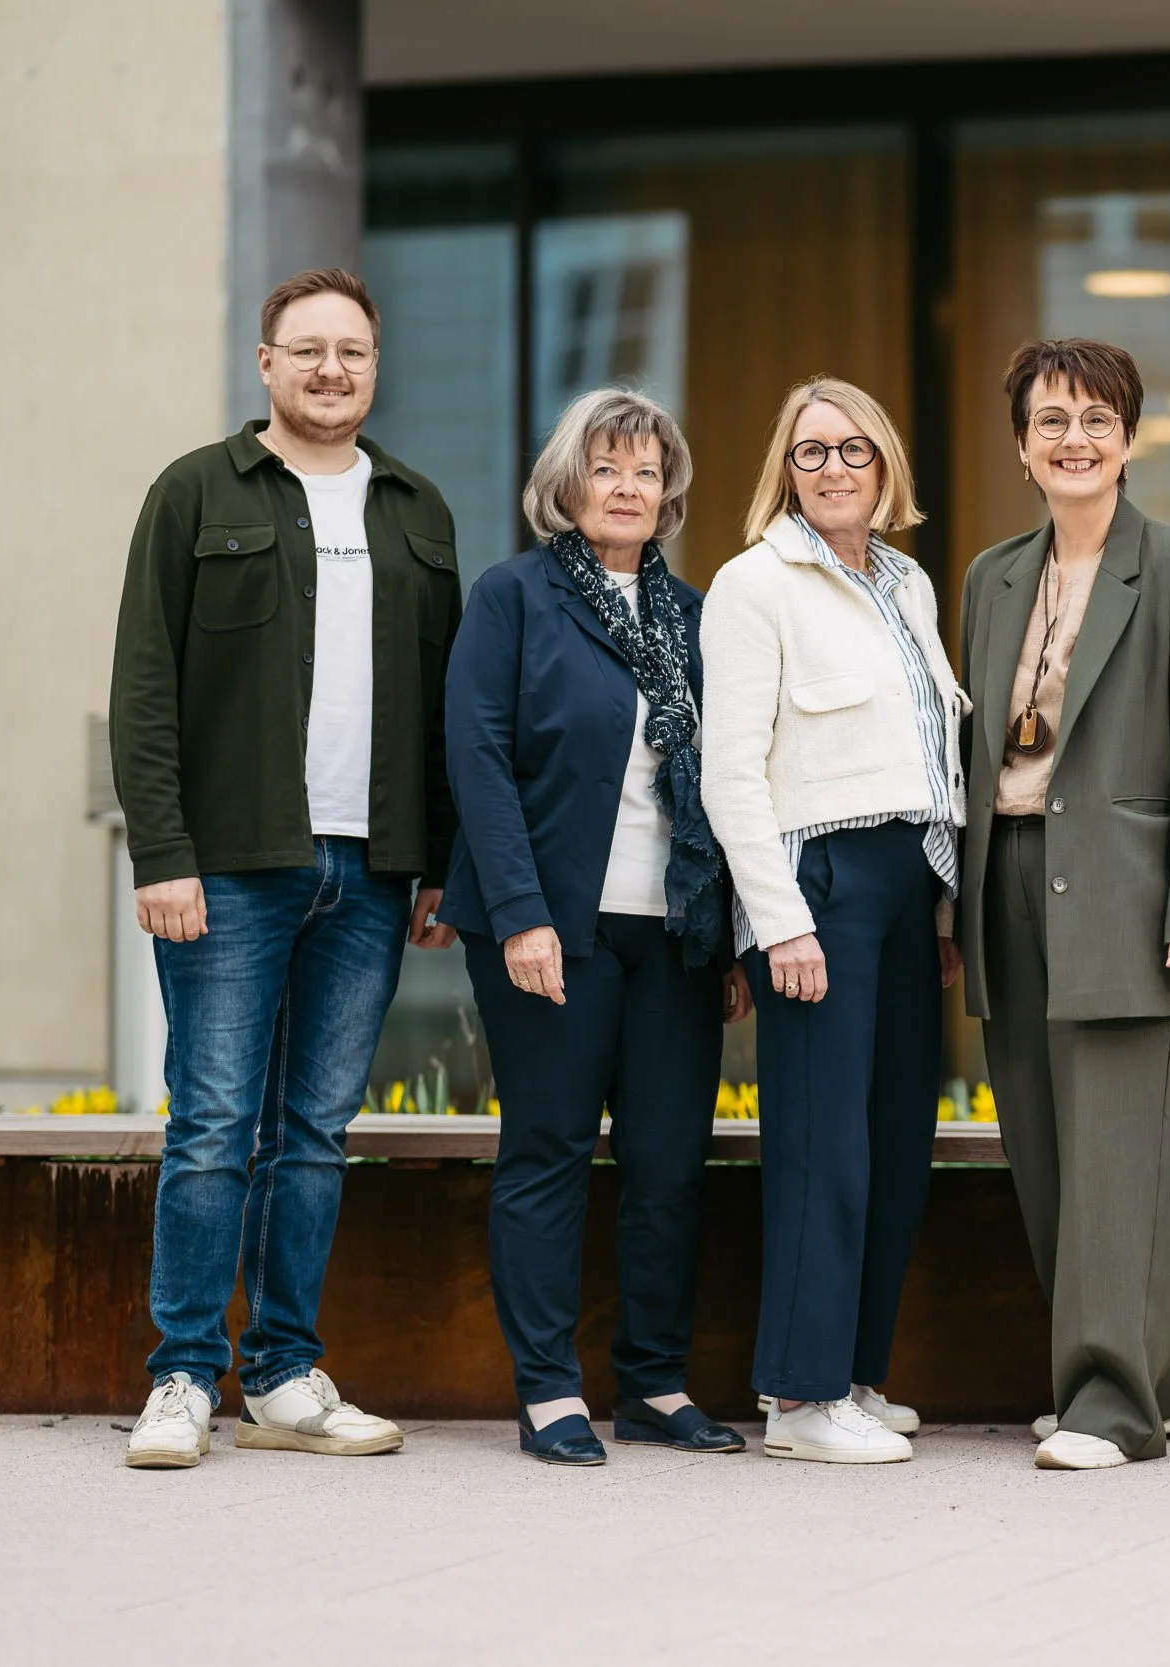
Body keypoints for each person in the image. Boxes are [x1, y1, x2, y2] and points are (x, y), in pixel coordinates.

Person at [109, 268, 459, 1469]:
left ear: (374, 367)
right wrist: (163, 851)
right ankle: (181, 1375)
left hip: (367, 872)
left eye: (351, 352)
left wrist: (436, 865)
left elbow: (440, 706)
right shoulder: (196, 491)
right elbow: (144, 686)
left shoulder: (418, 508)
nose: (329, 370)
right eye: (305, 350)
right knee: (213, 1126)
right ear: (265, 363)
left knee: (314, 1129)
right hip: (232, 865)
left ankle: (283, 1373)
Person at [438, 388, 751, 1466]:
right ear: (565, 485)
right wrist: (520, 915)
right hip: (549, 924)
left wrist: (736, 931)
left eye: (645, 470)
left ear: (669, 492)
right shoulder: (512, 598)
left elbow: (737, 778)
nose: (627, 487)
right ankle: (547, 1388)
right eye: (606, 467)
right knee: (550, 1149)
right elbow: (476, 757)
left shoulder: (701, 615)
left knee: (668, 1160)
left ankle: (654, 1380)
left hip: (673, 928)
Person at [957, 339, 1170, 1472]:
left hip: (1133, 898)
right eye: (1051, 420)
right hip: (1009, 883)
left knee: (1120, 1160)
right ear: (1021, 445)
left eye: (1096, 419)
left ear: (1129, 436)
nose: (1074, 438)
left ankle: (1109, 1406)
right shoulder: (989, 575)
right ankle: (1158, 1382)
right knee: (1047, 1158)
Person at [699, 377, 966, 1465]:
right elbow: (730, 774)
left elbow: (931, 754)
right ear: (785, 467)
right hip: (819, 882)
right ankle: (799, 1397)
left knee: (898, 1139)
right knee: (822, 1145)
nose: (835, 468)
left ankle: (855, 1371)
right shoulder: (753, 583)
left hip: (908, 880)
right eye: (811, 451)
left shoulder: (906, 583)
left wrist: (942, 902)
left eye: (855, 449)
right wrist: (778, 922)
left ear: (886, 464)